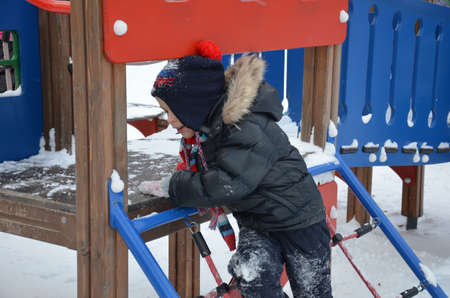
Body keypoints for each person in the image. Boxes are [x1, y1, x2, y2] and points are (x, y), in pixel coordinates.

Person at [139, 41, 332, 298]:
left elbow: (227, 183)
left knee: (313, 292)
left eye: (173, 112)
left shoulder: (244, 126)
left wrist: (176, 185)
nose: (169, 120)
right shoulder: (208, 130)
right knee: (251, 276)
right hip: (259, 223)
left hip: (300, 221)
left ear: (195, 106)